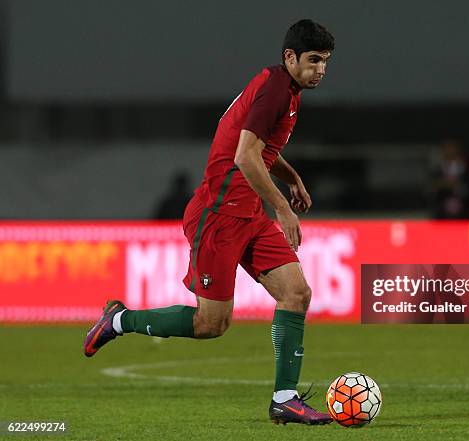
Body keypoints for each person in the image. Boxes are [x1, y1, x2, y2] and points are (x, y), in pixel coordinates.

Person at [83, 19, 335, 426]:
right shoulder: (274, 91)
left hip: (248, 213)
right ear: (290, 57)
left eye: (325, 62)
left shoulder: (285, 89)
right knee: (211, 324)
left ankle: (284, 399)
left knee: (297, 293)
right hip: (218, 217)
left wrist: (294, 179)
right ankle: (118, 319)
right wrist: (283, 209)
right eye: (313, 60)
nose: (320, 69)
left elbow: (261, 151)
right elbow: (244, 157)